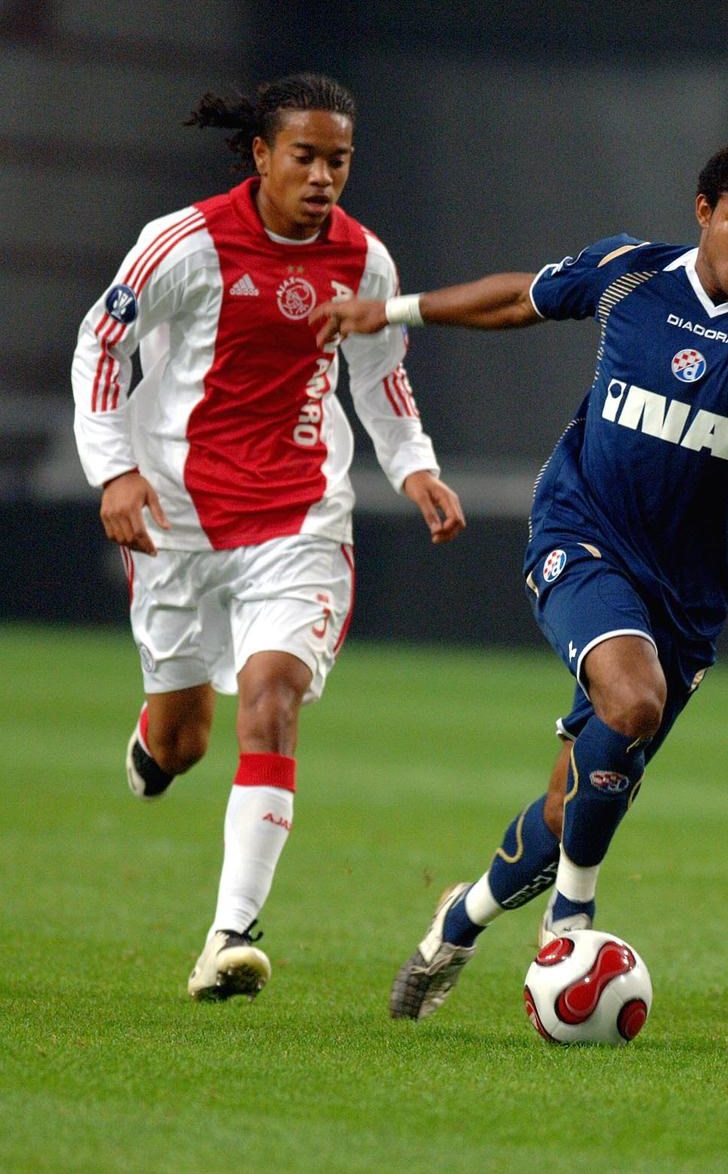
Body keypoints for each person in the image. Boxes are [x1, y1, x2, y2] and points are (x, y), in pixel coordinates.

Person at [315, 133, 728, 1020]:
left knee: (570, 810)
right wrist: (394, 312)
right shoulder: (631, 273)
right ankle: (572, 917)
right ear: (705, 212)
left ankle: (460, 919)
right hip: (580, 534)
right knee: (631, 701)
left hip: (686, 599)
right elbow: (520, 298)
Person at [70, 73, 465, 1002]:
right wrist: (115, 471)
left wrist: (414, 466)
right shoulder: (185, 244)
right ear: (261, 154)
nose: (323, 177)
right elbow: (101, 345)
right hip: (177, 518)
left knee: (273, 695)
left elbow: (381, 374)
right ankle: (157, 742)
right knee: (184, 742)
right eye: (305, 157)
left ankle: (230, 935)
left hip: (300, 517)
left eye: (339, 160)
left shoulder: (364, 259)